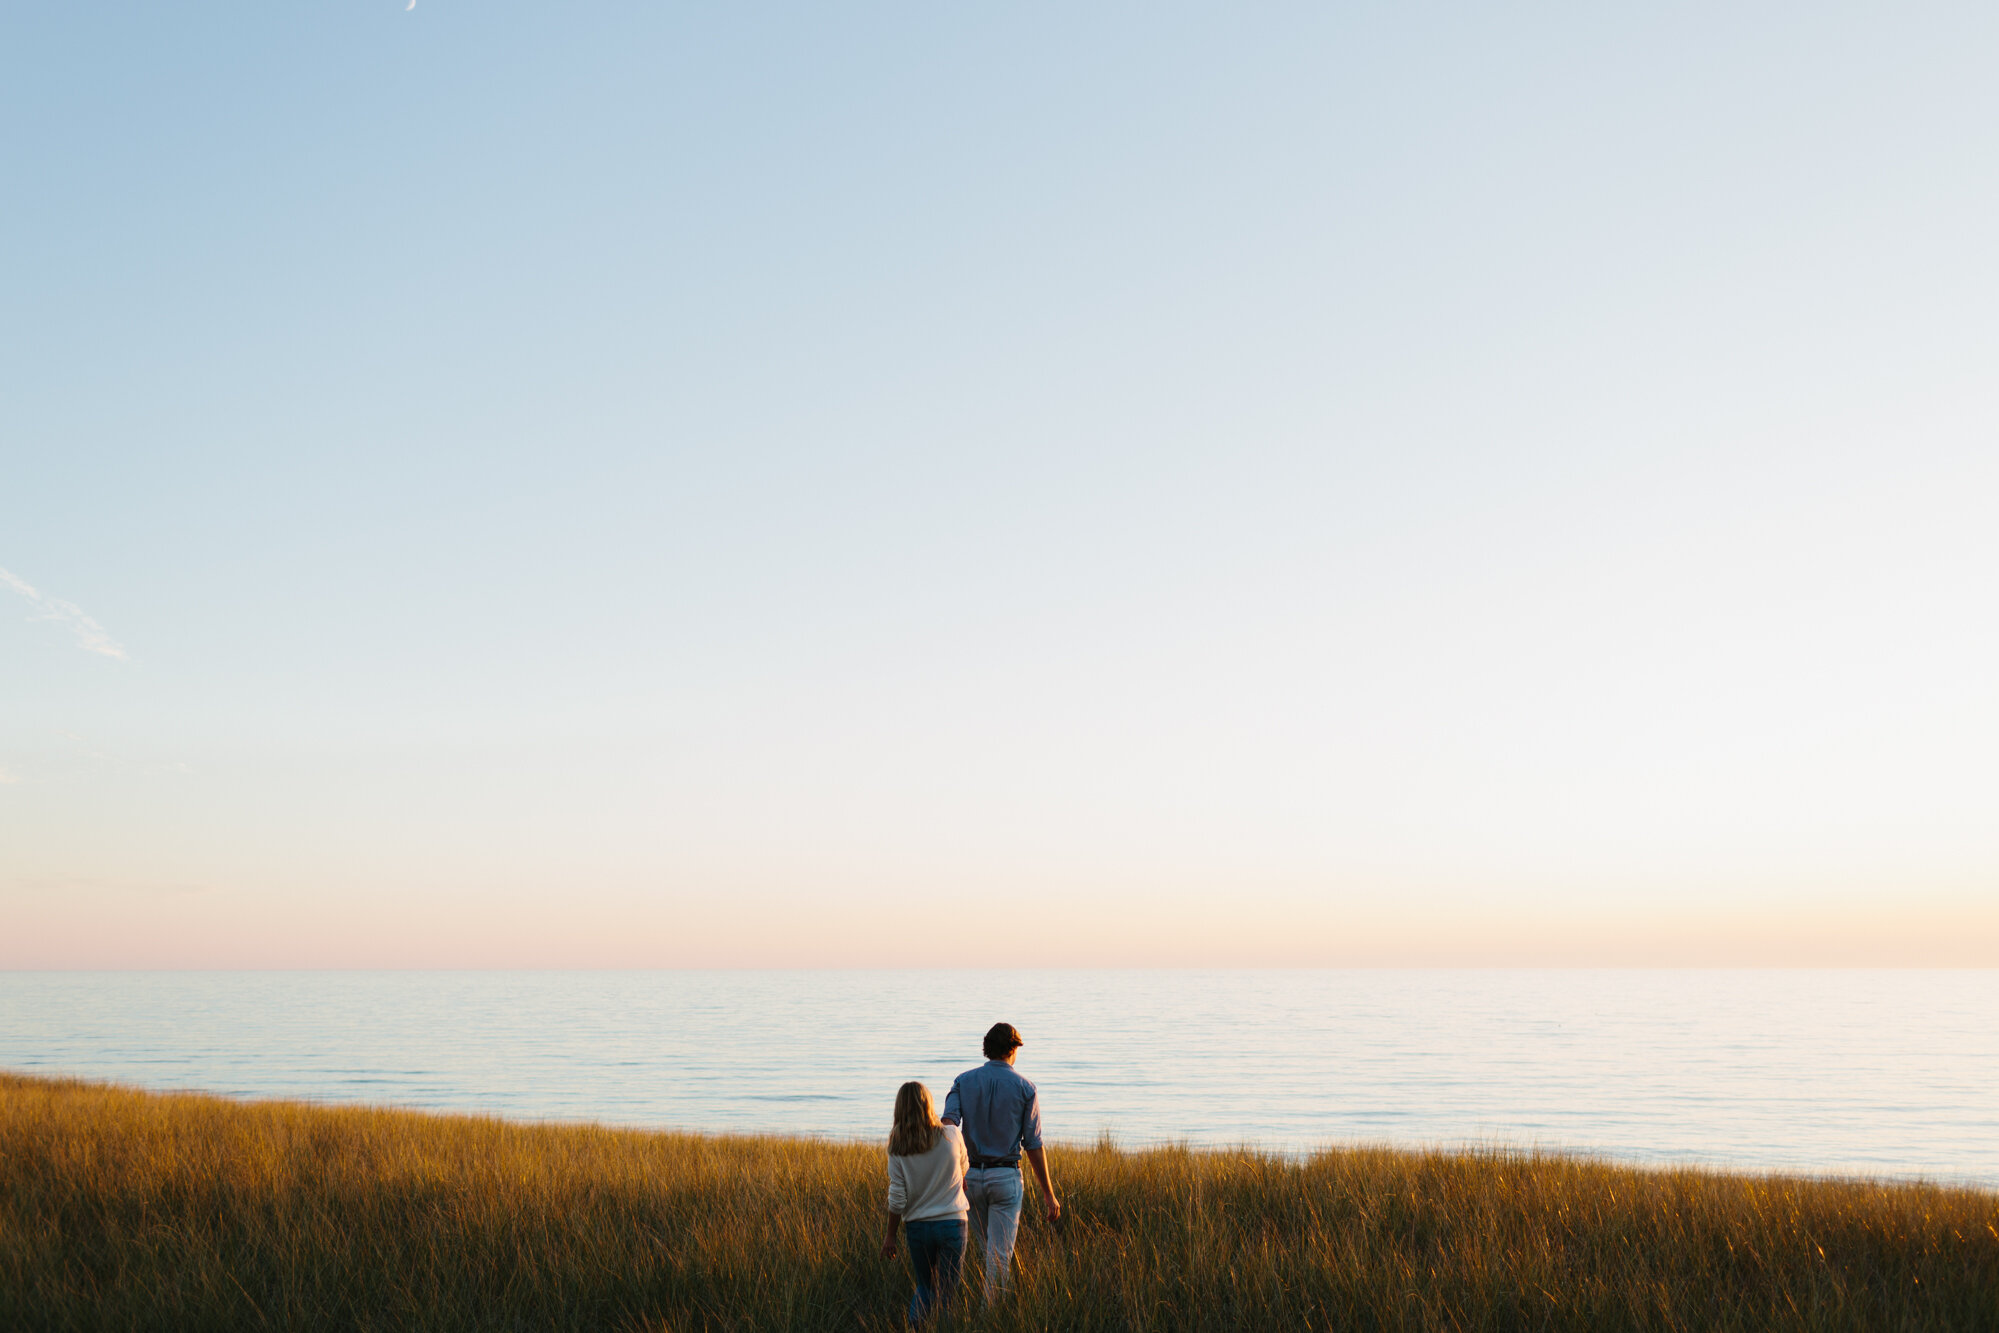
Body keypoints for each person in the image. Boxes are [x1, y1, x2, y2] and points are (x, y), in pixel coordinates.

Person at [940, 1022, 1061, 1299]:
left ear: (987, 1049)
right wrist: (1049, 1195)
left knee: (988, 1252)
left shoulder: (963, 1081)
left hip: (970, 1179)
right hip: (1005, 1177)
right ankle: (990, 1318)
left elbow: (948, 1125)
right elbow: (1033, 1145)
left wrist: (951, 1174)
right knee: (999, 1257)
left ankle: (984, 1309)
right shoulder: (1026, 1088)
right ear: (1014, 1049)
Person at [881, 1080, 969, 1326]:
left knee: (926, 1288)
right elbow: (964, 1169)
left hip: (918, 1227)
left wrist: (890, 1236)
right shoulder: (951, 1134)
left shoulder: (897, 1146)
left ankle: (916, 1328)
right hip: (953, 1223)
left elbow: (897, 1198)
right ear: (928, 1104)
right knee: (947, 1295)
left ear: (899, 1109)